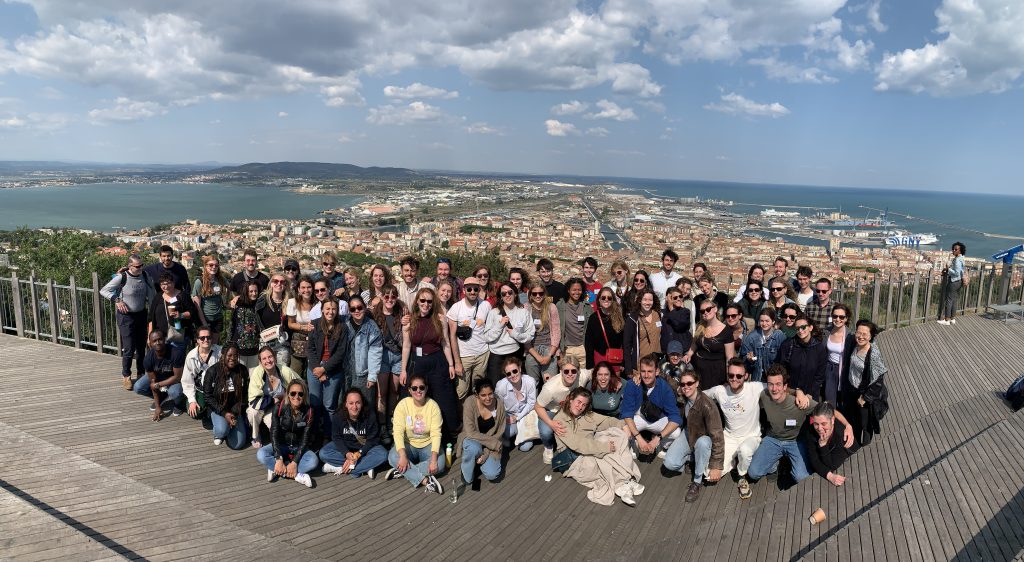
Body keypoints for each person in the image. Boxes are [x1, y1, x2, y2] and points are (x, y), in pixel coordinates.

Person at [703, 358, 808, 499]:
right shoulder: (719, 391)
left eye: (739, 376)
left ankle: (741, 475)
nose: (734, 379)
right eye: (731, 375)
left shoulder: (755, 387)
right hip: (729, 437)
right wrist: (682, 389)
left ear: (746, 376)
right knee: (710, 475)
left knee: (745, 451)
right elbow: (700, 396)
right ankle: (732, 462)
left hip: (751, 437)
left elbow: (778, 387)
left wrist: (799, 391)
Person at [747, 365, 853, 489]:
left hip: (796, 441)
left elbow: (828, 411)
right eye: (770, 384)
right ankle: (774, 465)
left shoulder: (799, 402)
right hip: (773, 439)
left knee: (801, 477)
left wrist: (847, 425)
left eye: (778, 384)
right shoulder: (764, 395)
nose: (774, 388)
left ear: (785, 386)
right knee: (753, 473)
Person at [553, 388, 642, 506]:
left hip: (590, 449)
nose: (580, 407)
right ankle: (624, 482)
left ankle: (622, 483)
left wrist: (623, 425)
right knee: (603, 455)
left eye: (584, 405)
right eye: (578, 402)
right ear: (570, 400)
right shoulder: (559, 420)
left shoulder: (587, 415)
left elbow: (607, 420)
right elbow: (577, 444)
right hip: (574, 460)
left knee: (617, 433)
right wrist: (604, 447)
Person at [401, 287, 459, 444]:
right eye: (422, 300)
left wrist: (451, 364)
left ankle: (447, 438)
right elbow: (406, 346)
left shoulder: (440, 319)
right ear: (417, 302)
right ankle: (418, 436)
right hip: (417, 363)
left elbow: (445, 342)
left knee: (443, 399)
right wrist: (403, 370)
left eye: (429, 301)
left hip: (437, 361)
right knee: (418, 399)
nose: (425, 304)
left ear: (433, 303)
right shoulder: (409, 321)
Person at [663, 368, 724, 503]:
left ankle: (697, 481)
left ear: (697, 383)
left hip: (703, 438)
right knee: (669, 464)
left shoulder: (707, 405)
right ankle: (693, 459)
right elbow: (673, 384)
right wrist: (658, 373)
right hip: (688, 432)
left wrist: (716, 465)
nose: (686, 387)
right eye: (683, 384)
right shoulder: (684, 395)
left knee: (703, 443)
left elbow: (718, 436)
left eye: (689, 383)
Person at [385, 373, 447, 494]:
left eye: (421, 387)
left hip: (427, 444)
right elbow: (397, 433)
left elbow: (436, 434)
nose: (418, 391)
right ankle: (425, 481)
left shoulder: (433, 406)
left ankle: (403, 470)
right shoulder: (403, 405)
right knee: (393, 456)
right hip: (409, 444)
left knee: (440, 463)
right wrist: (403, 456)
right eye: (414, 388)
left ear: (426, 388)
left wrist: (433, 460)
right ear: (409, 390)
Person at [100, 253, 155, 389]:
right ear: (130, 266)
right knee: (129, 348)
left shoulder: (145, 276)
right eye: (138, 266)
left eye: (142, 265)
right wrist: (117, 300)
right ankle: (126, 375)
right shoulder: (122, 277)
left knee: (142, 347)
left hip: (141, 314)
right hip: (126, 316)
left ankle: (141, 373)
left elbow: (152, 295)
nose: (141, 268)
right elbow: (104, 290)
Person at [256, 379, 318, 488]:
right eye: (293, 393)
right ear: (288, 394)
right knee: (261, 454)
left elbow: (305, 439)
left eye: (300, 393)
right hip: (281, 445)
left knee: (313, 461)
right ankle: (297, 475)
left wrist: (294, 462)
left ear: (304, 395)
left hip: (298, 447)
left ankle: (278, 470)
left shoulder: (309, 411)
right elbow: (273, 433)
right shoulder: (279, 408)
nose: (296, 396)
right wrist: (279, 458)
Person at [621, 355, 682, 458]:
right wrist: (639, 438)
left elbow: (675, 417)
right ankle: (633, 443)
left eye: (650, 371)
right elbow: (627, 414)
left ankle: (661, 445)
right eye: (643, 371)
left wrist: (658, 438)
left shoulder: (664, 387)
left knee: (676, 432)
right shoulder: (632, 384)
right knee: (623, 428)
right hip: (638, 417)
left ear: (657, 372)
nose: (646, 375)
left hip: (657, 418)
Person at [840, 320, 889, 446]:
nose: (860, 336)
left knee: (865, 421)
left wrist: (865, 397)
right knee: (853, 416)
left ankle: (865, 443)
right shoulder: (854, 344)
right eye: (858, 333)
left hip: (864, 393)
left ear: (871, 336)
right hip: (852, 388)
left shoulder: (873, 354)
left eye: (865, 334)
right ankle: (854, 438)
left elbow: (878, 380)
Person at [320, 388, 388, 478]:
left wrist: (359, 454)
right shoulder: (338, 416)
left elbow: (373, 439)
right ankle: (366, 466)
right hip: (346, 447)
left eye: (358, 403)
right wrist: (347, 453)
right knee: (323, 453)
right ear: (346, 404)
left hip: (365, 448)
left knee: (383, 454)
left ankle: (346, 468)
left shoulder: (370, 414)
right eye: (351, 403)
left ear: (362, 403)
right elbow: (336, 437)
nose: (354, 407)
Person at [535, 356, 591, 463]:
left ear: (578, 371)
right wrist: (551, 423)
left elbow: (595, 372)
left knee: (590, 385)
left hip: (571, 408)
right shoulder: (550, 388)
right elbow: (537, 406)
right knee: (546, 432)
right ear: (561, 371)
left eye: (573, 371)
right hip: (552, 410)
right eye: (566, 371)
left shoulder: (582, 375)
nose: (570, 374)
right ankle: (548, 446)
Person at [455, 378, 506, 493]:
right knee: (473, 448)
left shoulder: (499, 405)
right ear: (477, 395)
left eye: (490, 394)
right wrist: (493, 444)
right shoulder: (470, 402)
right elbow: (470, 432)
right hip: (472, 439)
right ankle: (467, 472)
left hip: (490, 447)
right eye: (483, 395)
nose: (488, 398)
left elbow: (499, 432)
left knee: (493, 474)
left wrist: (486, 454)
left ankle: (477, 461)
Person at [447, 276, 492, 399]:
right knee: (461, 391)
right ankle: (461, 417)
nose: (472, 292)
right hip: (464, 356)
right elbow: (452, 336)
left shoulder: (486, 306)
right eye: (469, 289)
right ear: (464, 290)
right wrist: (457, 362)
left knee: (478, 390)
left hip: (482, 354)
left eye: (475, 289)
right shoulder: (456, 308)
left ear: (479, 290)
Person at [246, 346, 300, 448]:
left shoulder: (284, 370)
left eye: (270, 357)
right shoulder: (257, 373)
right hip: (261, 406)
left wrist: (290, 397)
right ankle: (255, 435)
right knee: (252, 412)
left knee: (275, 426)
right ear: (261, 362)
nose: (268, 361)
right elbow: (253, 401)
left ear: (275, 357)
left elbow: (300, 385)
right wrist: (274, 399)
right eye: (264, 358)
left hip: (278, 407)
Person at [371, 284, 405, 441]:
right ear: (382, 298)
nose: (390, 299)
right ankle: (382, 424)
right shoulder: (375, 315)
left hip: (398, 355)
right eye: (386, 296)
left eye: (393, 296)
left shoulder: (402, 314)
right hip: (382, 355)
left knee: (394, 391)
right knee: (381, 393)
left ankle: (391, 421)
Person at [306, 299, 349, 422]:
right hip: (314, 367)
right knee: (314, 403)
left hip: (333, 370)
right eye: (328, 309)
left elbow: (341, 353)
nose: (331, 312)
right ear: (322, 310)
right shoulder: (315, 324)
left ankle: (328, 435)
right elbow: (310, 349)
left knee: (329, 405)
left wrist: (324, 369)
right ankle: (313, 433)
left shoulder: (342, 327)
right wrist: (317, 369)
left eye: (334, 309)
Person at [484, 282, 534, 383]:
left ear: (515, 294)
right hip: (497, 356)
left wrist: (516, 334)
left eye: (510, 292)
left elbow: (530, 335)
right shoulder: (493, 313)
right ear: (500, 297)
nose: (507, 295)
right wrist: (499, 325)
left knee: (516, 385)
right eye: (504, 294)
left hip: (515, 354)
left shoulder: (523, 313)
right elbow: (487, 337)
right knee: (497, 387)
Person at [203, 343, 251, 449]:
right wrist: (224, 413)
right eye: (229, 355)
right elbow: (208, 397)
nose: (232, 358)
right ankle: (220, 430)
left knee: (238, 444)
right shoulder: (212, 371)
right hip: (219, 409)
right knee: (221, 431)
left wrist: (235, 411)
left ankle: (229, 427)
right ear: (223, 354)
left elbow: (247, 394)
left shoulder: (242, 370)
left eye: (235, 355)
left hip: (236, 409)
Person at [683, 299, 735, 389]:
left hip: (716, 374)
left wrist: (729, 378)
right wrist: (689, 354)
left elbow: (729, 358)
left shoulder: (726, 331)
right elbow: (695, 343)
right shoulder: (700, 326)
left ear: (715, 309)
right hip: (698, 372)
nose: (705, 312)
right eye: (702, 311)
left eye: (708, 309)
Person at [135, 329, 185, 420]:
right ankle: (162, 396)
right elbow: (153, 383)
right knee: (138, 387)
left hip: (175, 379)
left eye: (160, 339)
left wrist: (159, 384)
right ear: (150, 343)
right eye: (154, 341)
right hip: (159, 376)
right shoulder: (148, 359)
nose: (157, 342)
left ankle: (179, 403)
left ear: (165, 339)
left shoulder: (176, 353)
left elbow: (178, 377)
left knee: (174, 392)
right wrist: (158, 407)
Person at [805, 401, 858, 486]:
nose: (819, 428)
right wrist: (829, 476)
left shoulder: (841, 436)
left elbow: (832, 465)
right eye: (816, 424)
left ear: (832, 420)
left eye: (823, 424)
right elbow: (813, 458)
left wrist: (823, 446)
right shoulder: (811, 430)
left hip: (844, 451)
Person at [344, 295, 382, 408]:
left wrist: (372, 376)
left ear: (365, 308)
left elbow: (375, 352)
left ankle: (369, 426)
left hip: (363, 374)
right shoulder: (345, 325)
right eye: (353, 309)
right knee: (348, 405)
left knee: (365, 405)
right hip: (346, 372)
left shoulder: (372, 327)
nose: (356, 311)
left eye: (359, 307)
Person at [495, 356, 538, 452]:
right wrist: (504, 418)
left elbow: (531, 404)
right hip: (509, 414)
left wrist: (517, 417)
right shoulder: (501, 387)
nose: (512, 375)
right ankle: (506, 436)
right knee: (509, 432)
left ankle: (519, 434)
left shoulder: (530, 381)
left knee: (525, 447)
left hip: (526, 413)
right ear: (505, 375)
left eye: (515, 371)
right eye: (508, 373)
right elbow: (497, 406)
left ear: (520, 369)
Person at [778, 317, 827, 399]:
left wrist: (810, 393)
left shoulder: (819, 348)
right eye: (797, 328)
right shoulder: (788, 345)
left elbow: (820, 375)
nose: (800, 331)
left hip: (810, 395)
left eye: (803, 327)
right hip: (791, 393)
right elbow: (782, 369)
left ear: (811, 328)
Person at [148, 272, 198, 350]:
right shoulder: (158, 297)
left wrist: (181, 315)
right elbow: (151, 318)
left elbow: (193, 312)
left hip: (178, 336)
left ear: (173, 283)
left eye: (168, 283)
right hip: (160, 338)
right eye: (162, 284)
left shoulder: (182, 296)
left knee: (177, 360)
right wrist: (150, 336)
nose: (166, 286)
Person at [181, 325, 221, 420]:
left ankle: (210, 410)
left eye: (208, 337)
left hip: (216, 390)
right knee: (196, 413)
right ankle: (188, 403)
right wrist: (192, 401)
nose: (206, 340)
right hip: (200, 390)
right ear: (197, 340)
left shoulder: (220, 352)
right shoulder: (191, 357)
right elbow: (187, 381)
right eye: (202, 338)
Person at [524, 283, 561, 383]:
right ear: (530, 295)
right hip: (532, 350)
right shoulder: (526, 308)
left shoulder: (551, 307)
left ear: (544, 294)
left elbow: (556, 331)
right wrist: (537, 356)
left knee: (551, 383)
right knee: (532, 384)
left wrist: (549, 355)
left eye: (540, 293)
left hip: (549, 349)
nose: (538, 296)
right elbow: (524, 335)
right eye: (534, 293)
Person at [584, 287, 625, 372]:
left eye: (609, 298)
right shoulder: (593, 318)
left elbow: (623, 341)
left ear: (613, 300)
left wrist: (623, 362)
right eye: (603, 297)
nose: (606, 300)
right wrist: (590, 365)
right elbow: (589, 343)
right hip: (599, 358)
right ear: (599, 300)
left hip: (615, 359)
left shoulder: (619, 317)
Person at [739, 309, 786, 382]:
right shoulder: (752, 337)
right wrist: (749, 360)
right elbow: (744, 360)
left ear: (773, 322)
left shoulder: (779, 336)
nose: (764, 324)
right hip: (757, 379)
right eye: (762, 321)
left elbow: (783, 361)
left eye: (767, 321)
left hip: (774, 380)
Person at [623, 289, 662, 376]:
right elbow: (627, 345)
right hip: (640, 365)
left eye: (650, 300)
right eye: (645, 299)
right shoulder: (633, 318)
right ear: (640, 300)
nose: (647, 303)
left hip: (655, 364)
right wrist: (629, 369)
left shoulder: (657, 314)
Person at [191, 255, 229, 344]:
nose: (214, 267)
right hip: (204, 318)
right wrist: (204, 323)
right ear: (205, 266)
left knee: (214, 346)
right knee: (203, 345)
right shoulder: (199, 282)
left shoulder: (220, 279)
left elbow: (231, 287)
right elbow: (197, 306)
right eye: (211, 265)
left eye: (216, 265)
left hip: (218, 318)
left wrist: (227, 302)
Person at [556, 278, 591, 370]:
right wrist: (559, 353)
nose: (577, 292)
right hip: (567, 349)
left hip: (582, 348)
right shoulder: (560, 306)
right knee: (567, 378)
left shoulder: (586, 307)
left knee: (583, 378)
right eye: (574, 290)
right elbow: (556, 329)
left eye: (579, 290)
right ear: (568, 290)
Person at [823, 303, 855, 404]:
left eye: (841, 317)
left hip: (844, 370)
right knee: (829, 399)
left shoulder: (850, 336)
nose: (838, 319)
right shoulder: (827, 332)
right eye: (835, 316)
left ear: (846, 319)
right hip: (829, 368)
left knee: (843, 400)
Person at [256, 273, 290, 367]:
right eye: (275, 281)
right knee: (264, 372)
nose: (279, 284)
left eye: (282, 282)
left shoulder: (289, 302)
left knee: (282, 372)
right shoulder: (262, 300)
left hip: (282, 343)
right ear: (271, 283)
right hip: (265, 342)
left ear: (285, 285)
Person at [228, 280, 263, 369]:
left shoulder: (260, 305)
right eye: (251, 291)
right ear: (246, 292)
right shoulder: (237, 305)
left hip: (254, 350)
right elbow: (232, 326)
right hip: (239, 350)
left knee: (253, 379)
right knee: (239, 377)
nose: (254, 293)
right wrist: (229, 345)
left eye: (256, 291)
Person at [286, 275, 316, 376]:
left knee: (312, 373)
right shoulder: (293, 302)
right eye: (303, 287)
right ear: (298, 289)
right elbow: (290, 324)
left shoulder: (317, 304)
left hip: (314, 340)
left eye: (309, 287)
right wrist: (304, 327)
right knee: (296, 372)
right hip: (298, 341)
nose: (306, 290)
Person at [939, 241, 967, 325]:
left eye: (956, 249)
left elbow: (956, 272)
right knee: (954, 300)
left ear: (960, 250)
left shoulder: (958, 260)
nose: (953, 251)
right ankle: (953, 318)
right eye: (953, 249)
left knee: (949, 300)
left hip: (954, 281)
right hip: (959, 282)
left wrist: (948, 269)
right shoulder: (962, 258)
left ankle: (947, 320)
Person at [661, 287, 693, 357]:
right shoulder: (662, 313)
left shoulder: (685, 312)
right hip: (666, 351)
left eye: (680, 297)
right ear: (668, 298)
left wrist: (671, 309)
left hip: (682, 351)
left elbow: (679, 326)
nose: (678, 299)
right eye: (675, 297)